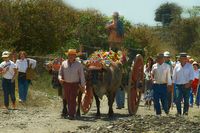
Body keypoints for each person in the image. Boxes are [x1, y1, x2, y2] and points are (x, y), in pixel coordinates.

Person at [58, 49, 86, 120]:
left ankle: (71, 114)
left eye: (72, 55)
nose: (70, 56)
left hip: (74, 84)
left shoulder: (79, 65)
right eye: (69, 55)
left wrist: (83, 86)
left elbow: (82, 76)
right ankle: (70, 112)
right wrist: (60, 78)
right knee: (67, 99)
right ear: (67, 55)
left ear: (75, 56)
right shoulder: (63, 63)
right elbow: (60, 73)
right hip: (66, 84)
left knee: (72, 99)